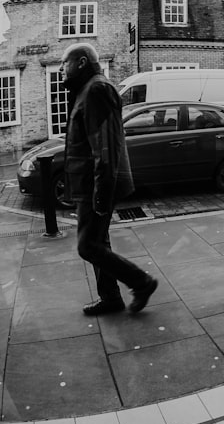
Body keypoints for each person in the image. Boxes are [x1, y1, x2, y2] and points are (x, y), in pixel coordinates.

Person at [61, 43, 159, 315]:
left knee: (88, 246)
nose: (61, 69)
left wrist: (101, 194)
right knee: (98, 242)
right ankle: (111, 298)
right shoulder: (87, 90)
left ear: (81, 62)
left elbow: (106, 148)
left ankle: (141, 282)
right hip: (88, 185)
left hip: (95, 186)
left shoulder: (96, 90)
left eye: (64, 63)